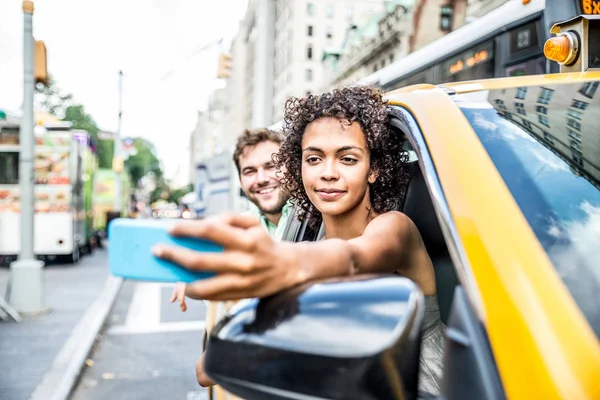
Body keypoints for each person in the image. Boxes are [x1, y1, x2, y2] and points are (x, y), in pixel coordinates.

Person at [155, 86, 445, 396]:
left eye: (347, 159)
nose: (328, 173)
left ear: (373, 169)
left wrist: (279, 265)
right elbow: (205, 371)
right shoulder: (305, 250)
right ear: (299, 167)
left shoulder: (395, 229)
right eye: (314, 159)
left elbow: (354, 258)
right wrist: (208, 268)